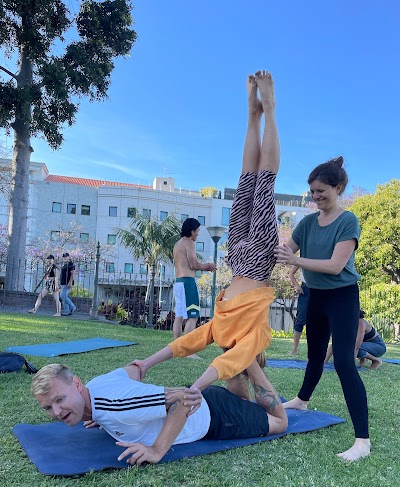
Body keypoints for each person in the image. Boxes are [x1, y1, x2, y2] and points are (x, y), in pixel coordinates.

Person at [132, 70, 280, 393]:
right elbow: (224, 366)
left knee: (246, 181)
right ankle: (269, 108)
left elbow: (185, 344)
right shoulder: (256, 340)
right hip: (259, 259)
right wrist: (197, 387)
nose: (229, 377)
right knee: (263, 181)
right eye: (234, 379)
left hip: (239, 259)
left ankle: (252, 117)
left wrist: (146, 363)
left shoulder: (222, 333)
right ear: (244, 369)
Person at [274, 156, 371, 461]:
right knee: (314, 356)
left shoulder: (347, 221)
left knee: (343, 362)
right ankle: (302, 400)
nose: (315, 197)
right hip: (315, 296)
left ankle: (363, 442)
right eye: (312, 192)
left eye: (321, 191)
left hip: (342, 297)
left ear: (338, 187)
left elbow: (335, 265)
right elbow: (287, 249)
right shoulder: (306, 222)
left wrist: (296, 263)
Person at [31, 359, 288, 466]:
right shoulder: (95, 386)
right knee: (240, 399)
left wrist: (156, 450)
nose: (56, 411)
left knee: (280, 423)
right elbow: (133, 370)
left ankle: (248, 360)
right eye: (48, 407)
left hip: (218, 417)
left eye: (60, 399)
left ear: (76, 384)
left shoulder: (115, 405)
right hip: (211, 399)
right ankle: (237, 364)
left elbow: (182, 401)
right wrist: (92, 416)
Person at [172, 218, 216, 358]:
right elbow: (193, 264)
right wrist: (207, 267)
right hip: (187, 283)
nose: (197, 234)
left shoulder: (177, 244)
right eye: (197, 231)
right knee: (193, 316)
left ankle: (176, 348)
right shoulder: (189, 242)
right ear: (191, 231)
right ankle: (188, 351)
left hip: (178, 282)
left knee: (179, 316)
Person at [289, 266, 309, 355]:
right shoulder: (302, 256)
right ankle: (294, 349)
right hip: (305, 289)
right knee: (300, 320)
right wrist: (297, 286)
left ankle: (313, 350)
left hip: (319, 289)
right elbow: (291, 274)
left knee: (316, 321)